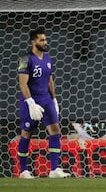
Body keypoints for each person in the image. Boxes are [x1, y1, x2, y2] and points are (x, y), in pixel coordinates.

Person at [17, 28, 71, 178]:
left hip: (46, 99)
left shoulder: (48, 59)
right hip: (31, 100)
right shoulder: (25, 59)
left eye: (45, 39)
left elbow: (50, 80)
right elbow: (22, 84)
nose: (45, 42)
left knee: (55, 130)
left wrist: (54, 99)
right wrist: (30, 102)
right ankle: (23, 171)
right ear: (33, 41)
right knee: (26, 134)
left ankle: (54, 169)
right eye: (41, 40)